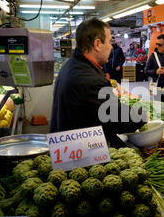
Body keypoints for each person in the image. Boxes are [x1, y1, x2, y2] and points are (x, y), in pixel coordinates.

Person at [50, 18, 145, 147]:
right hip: (81, 153)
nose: (111, 47)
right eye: (109, 42)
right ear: (98, 44)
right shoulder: (89, 78)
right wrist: (141, 115)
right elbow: (117, 119)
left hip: (70, 145)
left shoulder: (73, 65)